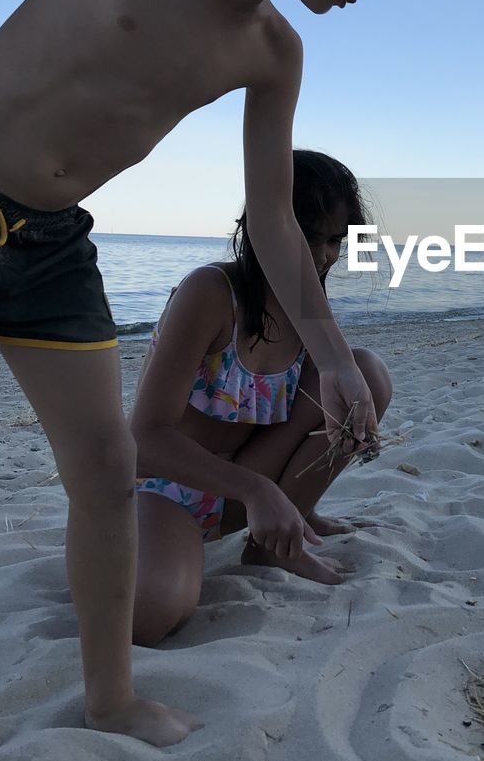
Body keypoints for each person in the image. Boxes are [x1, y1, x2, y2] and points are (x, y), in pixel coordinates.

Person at [0, 0, 431, 745]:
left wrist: (336, 360)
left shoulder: (273, 51)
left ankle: (110, 699)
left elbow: (271, 219)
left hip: (52, 245)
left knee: (101, 469)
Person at [130, 151, 392, 646]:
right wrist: (255, 489)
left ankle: (278, 542)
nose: (323, 255)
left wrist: (352, 434)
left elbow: (318, 403)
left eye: (336, 240)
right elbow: (144, 439)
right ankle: (281, 519)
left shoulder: (306, 307)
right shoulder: (210, 292)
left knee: (368, 376)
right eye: (308, 235)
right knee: (150, 615)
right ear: (263, 226)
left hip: (253, 488)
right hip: (168, 486)